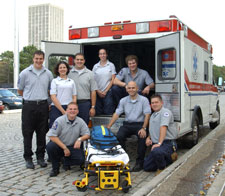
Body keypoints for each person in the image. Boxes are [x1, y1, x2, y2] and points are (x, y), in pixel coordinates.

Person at [17, 50, 53, 169]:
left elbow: (49, 91)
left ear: (43, 59)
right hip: (29, 106)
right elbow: (20, 90)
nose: (38, 61)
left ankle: (40, 157)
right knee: (27, 133)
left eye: (40, 58)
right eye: (36, 58)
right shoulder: (24, 73)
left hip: (43, 106)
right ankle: (28, 158)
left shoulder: (48, 74)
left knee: (42, 133)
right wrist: (30, 98)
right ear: (33, 59)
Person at [107, 81, 151, 172]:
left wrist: (144, 128)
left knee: (142, 137)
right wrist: (108, 126)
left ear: (137, 88)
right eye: (129, 88)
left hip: (140, 124)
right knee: (119, 136)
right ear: (126, 89)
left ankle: (140, 162)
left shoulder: (144, 100)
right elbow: (117, 114)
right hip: (127, 124)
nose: (131, 89)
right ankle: (123, 159)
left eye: (133, 88)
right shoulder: (123, 100)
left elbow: (147, 115)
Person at [46, 102, 90, 177]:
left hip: (72, 146)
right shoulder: (59, 120)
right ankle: (55, 168)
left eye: (75, 109)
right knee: (50, 146)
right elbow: (52, 136)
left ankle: (65, 161)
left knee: (81, 159)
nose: (72, 111)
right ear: (66, 110)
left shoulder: (80, 121)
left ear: (78, 111)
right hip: (60, 146)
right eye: (70, 109)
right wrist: (64, 148)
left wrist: (79, 139)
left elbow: (87, 134)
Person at [143, 94, 178, 174]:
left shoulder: (165, 112)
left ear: (161, 103)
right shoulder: (153, 115)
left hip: (167, 143)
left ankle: (161, 168)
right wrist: (149, 138)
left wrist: (159, 143)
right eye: (152, 103)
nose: (154, 104)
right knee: (146, 166)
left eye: (156, 102)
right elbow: (152, 130)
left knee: (157, 151)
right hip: (157, 144)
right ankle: (169, 158)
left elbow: (163, 127)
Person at [68, 53, 98, 124]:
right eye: (77, 59)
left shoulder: (90, 74)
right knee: (70, 125)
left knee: (84, 125)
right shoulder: (68, 73)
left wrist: (93, 107)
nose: (79, 61)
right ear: (74, 61)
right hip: (71, 104)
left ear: (84, 61)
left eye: (81, 60)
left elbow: (93, 91)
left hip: (84, 104)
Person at [49, 61, 77, 128]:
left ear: (67, 69)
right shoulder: (54, 81)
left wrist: (72, 109)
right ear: (58, 70)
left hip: (69, 108)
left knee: (68, 129)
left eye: (64, 67)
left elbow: (74, 96)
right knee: (55, 130)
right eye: (60, 68)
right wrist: (63, 111)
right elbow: (53, 97)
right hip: (56, 108)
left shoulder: (72, 81)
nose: (62, 69)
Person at [92, 49, 116, 115]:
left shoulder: (111, 65)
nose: (102, 55)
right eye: (101, 54)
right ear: (99, 55)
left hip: (108, 91)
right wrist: (98, 91)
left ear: (106, 55)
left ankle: (109, 125)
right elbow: (92, 80)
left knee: (108, 111)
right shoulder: (95, 66)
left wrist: (106, 91)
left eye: (104, 53)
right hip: (97, 92)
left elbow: (113, 79)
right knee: (98, 111)